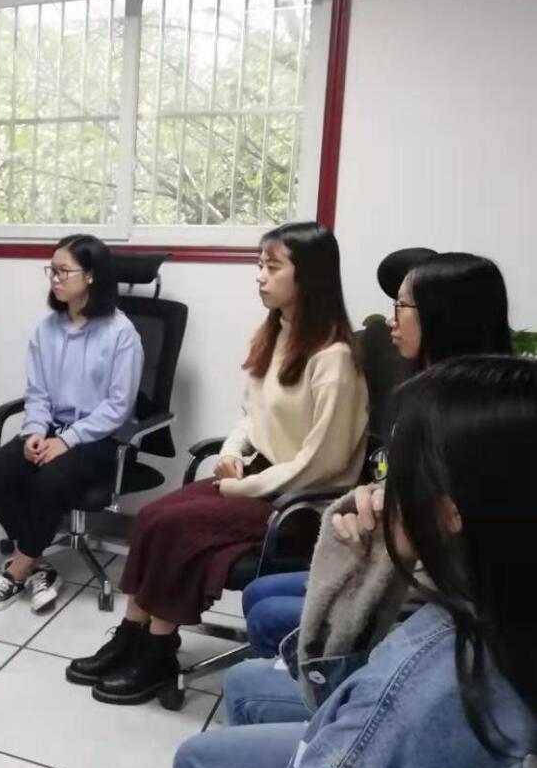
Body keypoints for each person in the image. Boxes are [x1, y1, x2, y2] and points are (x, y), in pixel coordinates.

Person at [13, 355, 537, 768]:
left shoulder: (417, 691)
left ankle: (154, 648)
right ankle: (139, 638)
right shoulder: (496, 608)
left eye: (393, 472)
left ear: (448, 514)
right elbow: (341, 708)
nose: (380, 490)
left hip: (282, 495)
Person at [68, 222, 368, 706]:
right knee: (153, 516)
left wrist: (244, 487)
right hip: (260, 480)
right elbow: (251, 417)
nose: (260, 276)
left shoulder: (333, 359)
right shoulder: (276, 335)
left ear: (309, 275)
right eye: (259, 265)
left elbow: (324, 462)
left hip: (300, 505)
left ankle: (159, 651)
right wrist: (230, 455)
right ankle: (132, 635)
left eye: (273, 267)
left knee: (178, 528)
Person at [226, 250, 514, 728]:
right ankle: (291, 702)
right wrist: (373, 498)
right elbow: (396, 487)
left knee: (266, 614)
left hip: (422, 593)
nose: (391, 319)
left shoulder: (470, 420)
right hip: (394, 557)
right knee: (262, 593)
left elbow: (443, 538)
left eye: (402, 305)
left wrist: (388, 521)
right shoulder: (421, 389)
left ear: (443, 314)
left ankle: (306, 712)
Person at [0, 234, 143, 614]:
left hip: (104, 438)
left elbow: (118, 407)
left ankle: (16, 571)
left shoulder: (121, 333)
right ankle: (39, 563)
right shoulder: (46, 329)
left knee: (48, 479)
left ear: (91, 276)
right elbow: (37, 394)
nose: (54, 278)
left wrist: (67, 441)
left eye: (64, 271)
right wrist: (35, 432)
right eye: (51, 270)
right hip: (52, 428)